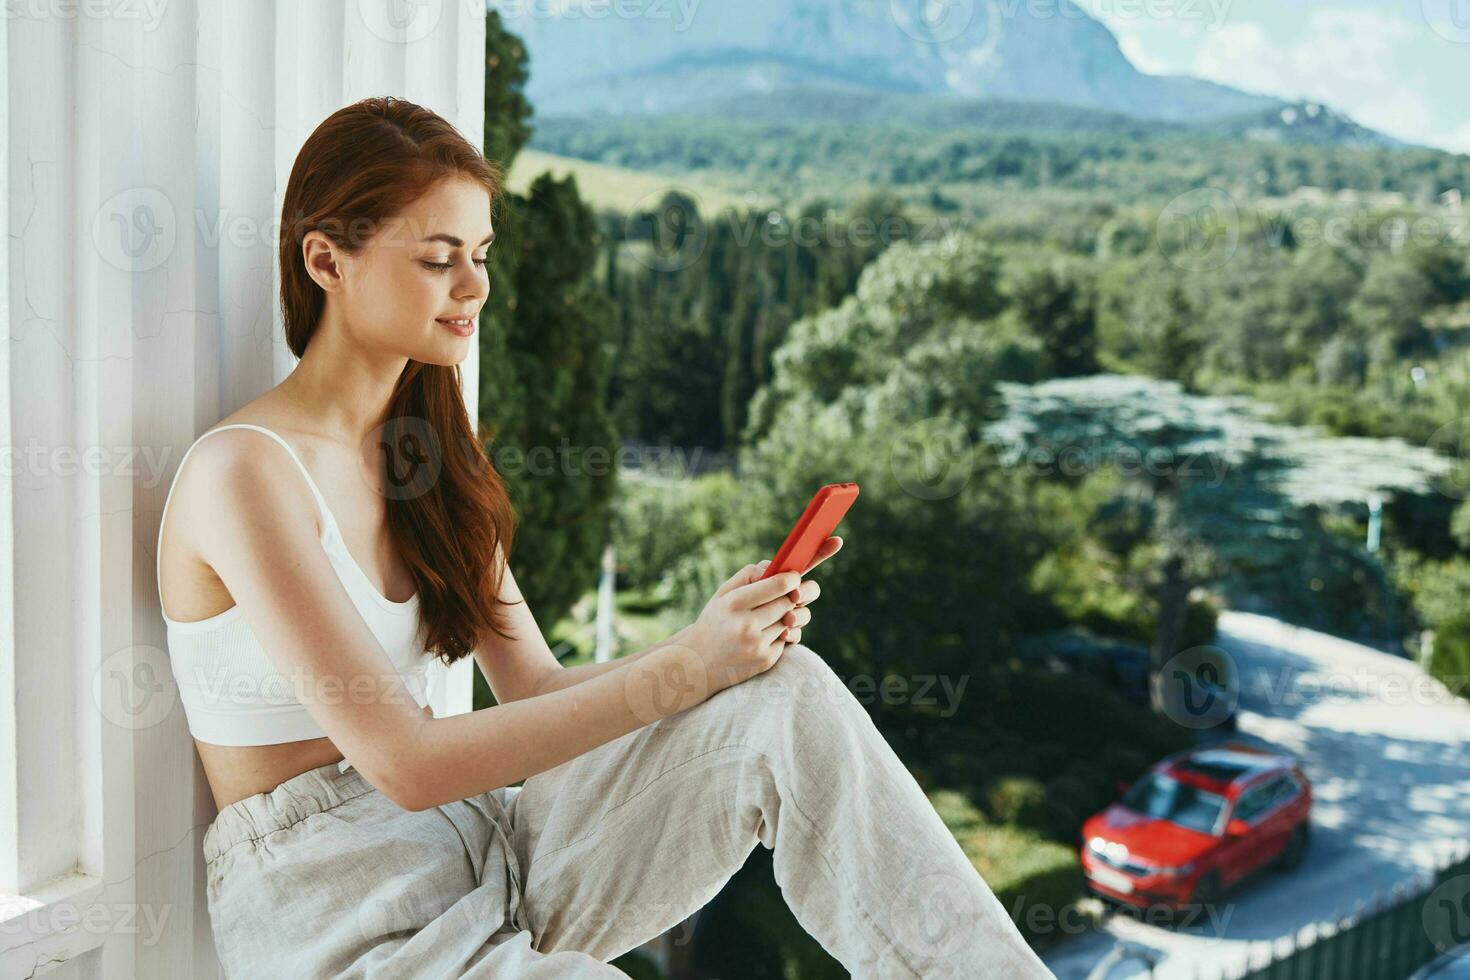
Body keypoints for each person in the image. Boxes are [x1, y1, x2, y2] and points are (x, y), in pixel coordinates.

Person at [155, 96, 1054, 979]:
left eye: (480, 254)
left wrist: (713, 646)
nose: (476, 286)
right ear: (326, 261)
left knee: (785, 695)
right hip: (344, 915)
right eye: (438, 259)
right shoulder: (244, 474)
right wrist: (685, 668)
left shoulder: (429, 460)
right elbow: (406, 764)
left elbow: (535, 688)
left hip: (492, 847)